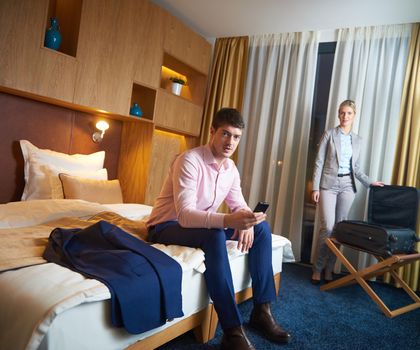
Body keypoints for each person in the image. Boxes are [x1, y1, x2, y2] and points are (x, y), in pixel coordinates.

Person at [147, 108, 290, 349]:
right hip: (166, 226)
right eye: (225, 134)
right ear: (212, 131)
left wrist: (247, 220)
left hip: (198, 227)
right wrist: (228, 220)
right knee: (214, 234)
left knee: (262, 228)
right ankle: (232, 330)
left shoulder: (230, 169)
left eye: (236, 137)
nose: (230, 142)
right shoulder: (189, 160)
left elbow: (238, 203)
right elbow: (184, 215)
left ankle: (261, 310)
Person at [311, 99, 384, 284]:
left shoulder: (358, 140)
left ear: (354, 115)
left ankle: (329, 268)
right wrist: (315, 187)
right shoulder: (329, 134)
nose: (345, 116)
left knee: (339, 230)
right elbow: (319, 162)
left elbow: (356, 169)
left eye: (349, 113)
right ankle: (318, 268)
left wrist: (370, 182)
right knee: (327, 228)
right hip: (328, 184)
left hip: (347, 186)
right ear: (338, 114)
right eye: (342, 113)